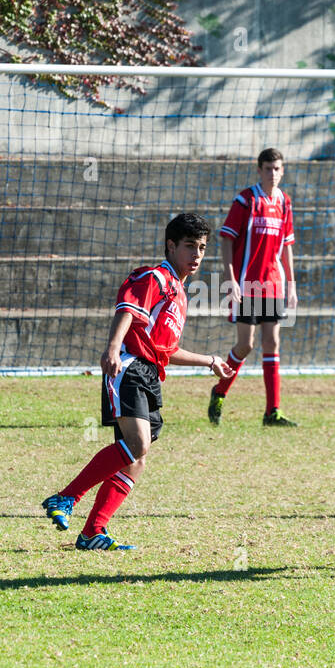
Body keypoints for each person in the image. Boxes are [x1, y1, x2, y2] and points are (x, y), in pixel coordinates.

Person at [41, 213, 234, 550]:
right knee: (138, 445)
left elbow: (166, 350)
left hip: (149, 375)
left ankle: (92, 533)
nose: (197, 255)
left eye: (202, 248)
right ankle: (66, 498)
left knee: (136, 460)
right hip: (129, 368)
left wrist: (210, 361)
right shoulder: (155, 276)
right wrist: (112, 348)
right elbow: (127, 308)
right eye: (190, 246)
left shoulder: (179, 293)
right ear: (171, 246)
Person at [207, 148, 299, 427]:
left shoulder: (284, 202)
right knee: (245, 345)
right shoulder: (246, 200)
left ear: (283, 171)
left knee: (272, 342)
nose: (273, 173)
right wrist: (230, 278)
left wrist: (292, 285)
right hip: (247, 283)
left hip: (273, 282)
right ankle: (219, 391)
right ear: (259, 170)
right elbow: (225, 239)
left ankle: (272, 412)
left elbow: (287, 247)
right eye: (268, 168)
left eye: (277, 169)